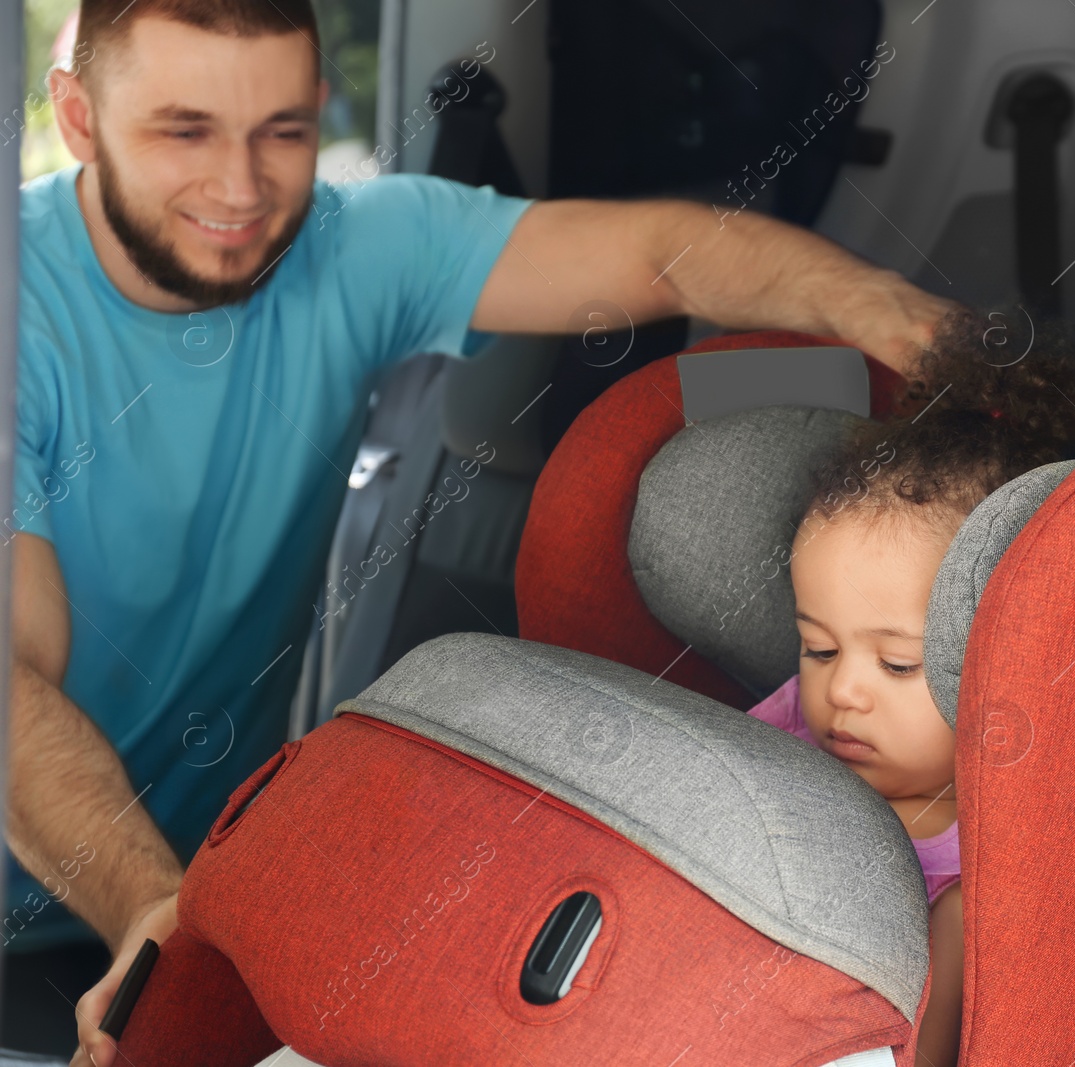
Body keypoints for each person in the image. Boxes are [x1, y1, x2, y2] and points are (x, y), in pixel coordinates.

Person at [5, 1, 960, 1062]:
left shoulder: (351, 242)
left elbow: (666, 255)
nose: (239, 188)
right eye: (184, 130)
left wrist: (899, 319)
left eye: (280, 130)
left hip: (205, 883)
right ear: (79, 117)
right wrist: (158, 911)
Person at [744, 309, 1075, 1067]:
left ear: (1006, 662)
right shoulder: (787, 731)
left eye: (898, 664)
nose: (845, 691)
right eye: (819, 647)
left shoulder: (968, 885)